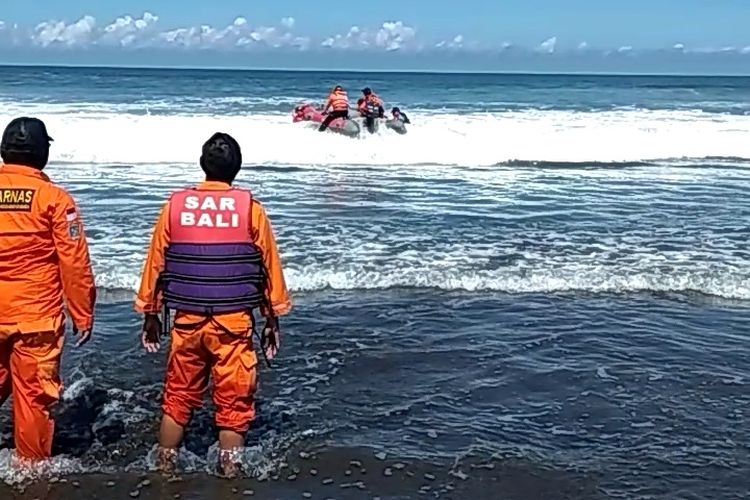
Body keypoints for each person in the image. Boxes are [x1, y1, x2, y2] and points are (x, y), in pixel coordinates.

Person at [135, 132, 292, 478]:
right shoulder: (250, 208)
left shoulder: (174, 206)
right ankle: (230, 476)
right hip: (233, 324)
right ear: (236, 167)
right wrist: (273, 317)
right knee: (234, 402)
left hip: (186, 320)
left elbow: (156, 263)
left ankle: (164, 467)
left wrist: (150, 312)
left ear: (203, 165)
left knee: (177, 397)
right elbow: (269, 267)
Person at [0, 117, 96, 462]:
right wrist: (82, 313)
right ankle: (30, 474)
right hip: (35, 320)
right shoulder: (55, 199)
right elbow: (74, 261)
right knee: (34, 400)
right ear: (42, 154)